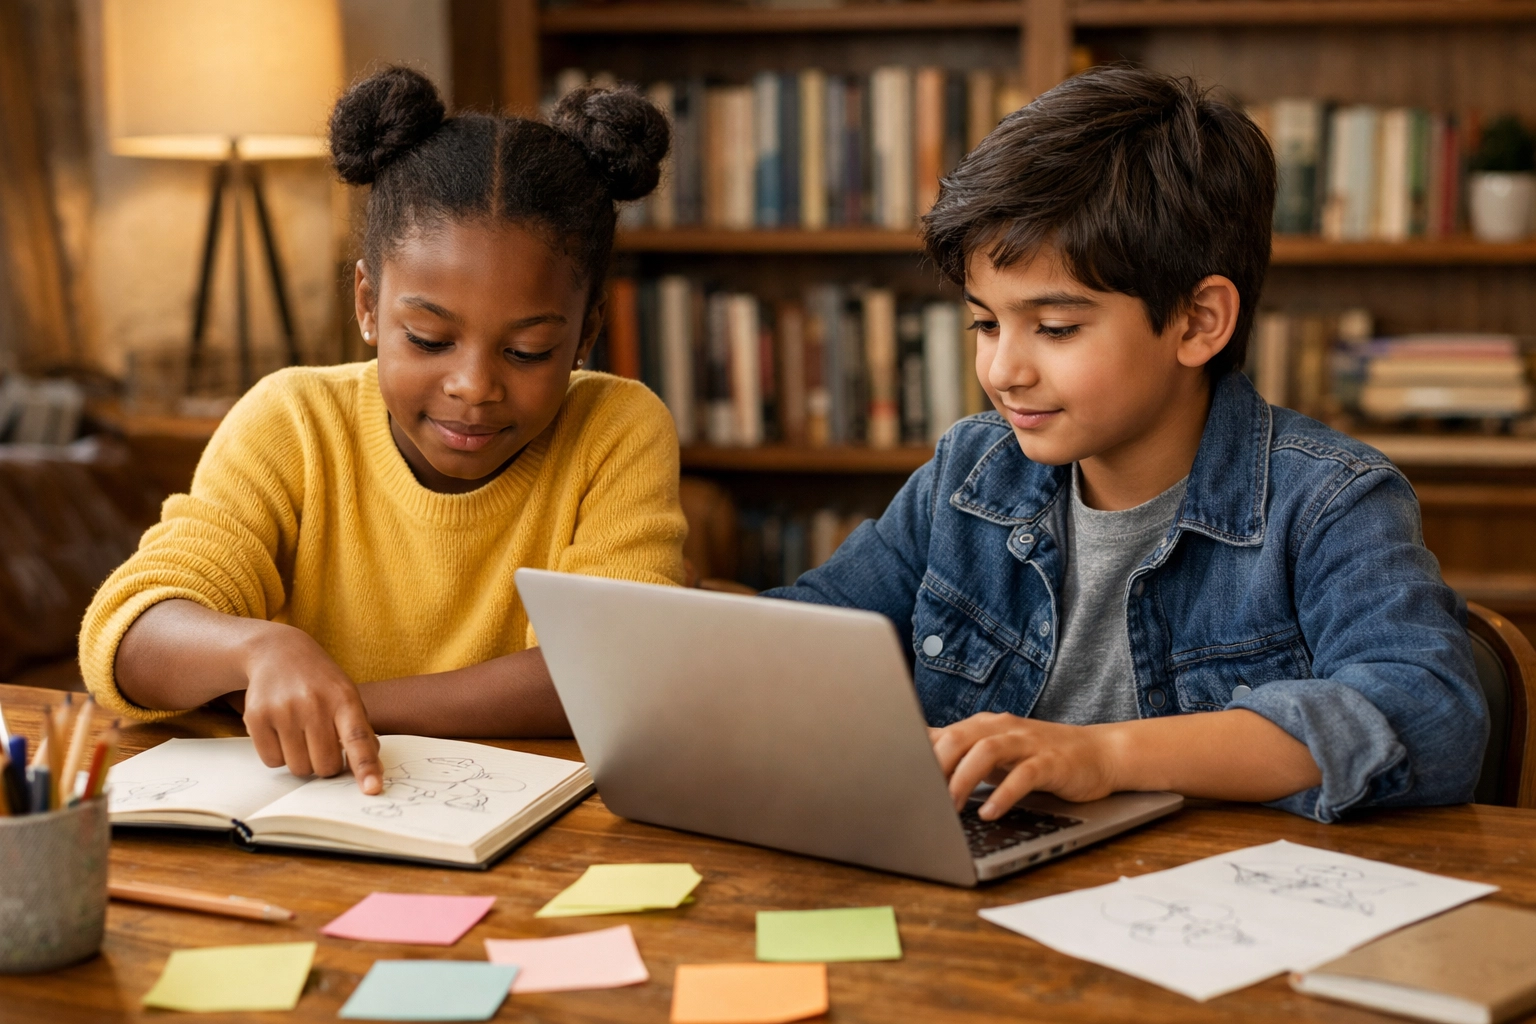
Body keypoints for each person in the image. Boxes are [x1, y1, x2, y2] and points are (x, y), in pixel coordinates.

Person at [765, 66, 1487, 824]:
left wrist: (1106, 756)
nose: (1003, 370)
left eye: (1055, 328)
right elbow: (803, 640)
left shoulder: (1331, 503)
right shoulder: (969, 473)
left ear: (1199, 321)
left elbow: (1428, 716)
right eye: (985, 324)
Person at [79, 67, 686, 795]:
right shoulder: (293, 422)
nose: (474, 386)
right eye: (429, 339)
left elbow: (610, 669)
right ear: (368, 304)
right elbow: (126, 635)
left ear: (586, 332)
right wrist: (257, 649)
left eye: (527, 352)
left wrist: (347, 706)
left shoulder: (617, 429)